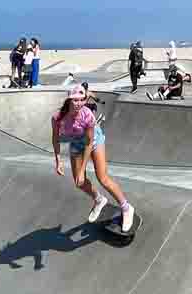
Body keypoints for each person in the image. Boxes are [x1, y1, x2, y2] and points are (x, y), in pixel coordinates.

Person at [52, 82, 135, 232]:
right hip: (76, 144)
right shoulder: (58, 117)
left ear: (85, 99)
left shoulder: (87, 116)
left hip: (93, 142)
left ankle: (127, 208)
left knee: (102, 178)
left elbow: (90, 143)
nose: (78, 104)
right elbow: (55, 138)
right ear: (69, 100)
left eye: (81, 100)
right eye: (75, 100)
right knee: (79, 182)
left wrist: (83, 168)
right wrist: (58, 160)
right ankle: (99, 200)